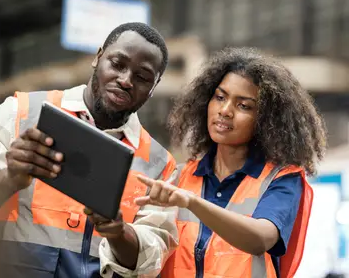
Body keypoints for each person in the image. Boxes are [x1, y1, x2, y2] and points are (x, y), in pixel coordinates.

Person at [0, 22, 178, 278]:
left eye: (142, 77)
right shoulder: (21, 113)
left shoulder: (159, 164)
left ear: (154, 87)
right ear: (98, 57)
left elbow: (151, 258)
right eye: (117, 64)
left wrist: (118, 232)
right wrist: (9, 178)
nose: (126, 80)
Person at [135, 47, 327, 278]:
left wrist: (192, 202)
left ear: (266, 120)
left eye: (243, 106)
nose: (225, 111)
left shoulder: (281, 180)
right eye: (220, 97)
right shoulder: (179, 176)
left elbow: (260, 239)